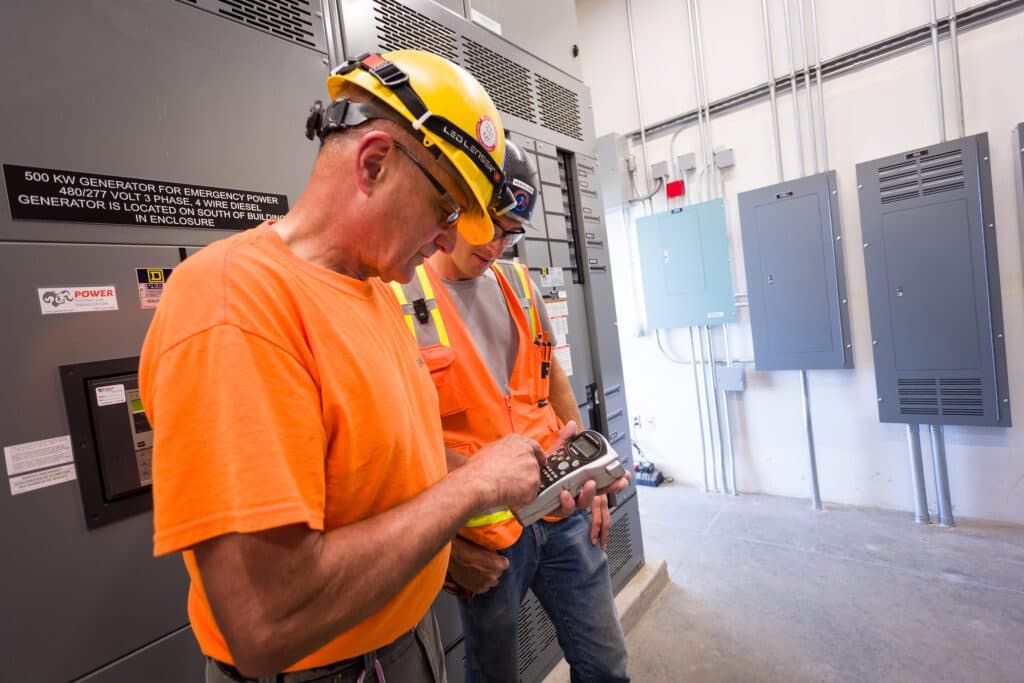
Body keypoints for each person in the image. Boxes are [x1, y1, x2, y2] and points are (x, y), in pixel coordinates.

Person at [138, 50, 552, 683]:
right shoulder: (233, 302)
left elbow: (388, 461)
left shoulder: (376, 291)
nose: (451, 240)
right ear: (375, 163)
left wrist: (461, 527)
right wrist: (472, 488)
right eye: (446, 208)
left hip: (404, 642)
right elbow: (265, 621)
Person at [391, 140, 631, 683]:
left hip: (562, 510)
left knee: (607, 665)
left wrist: (590, 473)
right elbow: (400, 445)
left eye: (513, 233)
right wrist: (445, 542)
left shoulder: (519, 286)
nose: (500, 245)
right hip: (489, 535)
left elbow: (555, 387)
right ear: (459, 207)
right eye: (493, 226)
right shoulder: (402, 297)